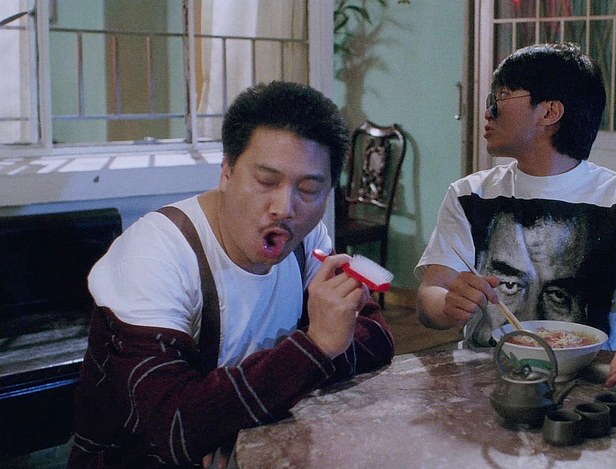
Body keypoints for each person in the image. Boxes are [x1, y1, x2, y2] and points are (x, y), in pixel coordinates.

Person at [68, 81, 395, 468]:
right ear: (227, 171)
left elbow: (376, 340)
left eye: (308, 189)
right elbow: (174, 427)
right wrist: (316, 347)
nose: (284, 208)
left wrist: (230, 419)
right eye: (266, 181)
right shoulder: (156, 254)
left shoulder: (308, 241)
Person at [415, 43, 616, 393]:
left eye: (501, 97)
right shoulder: (469, 195)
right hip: (481, 382)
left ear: (549, 112)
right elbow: (430, 293)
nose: (487, 111)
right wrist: (448, 305)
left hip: (585, 384)